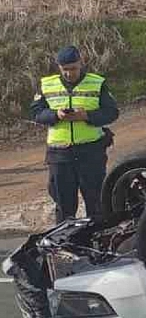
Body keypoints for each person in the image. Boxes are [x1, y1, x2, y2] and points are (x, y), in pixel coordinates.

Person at [30, 45, 119, 223]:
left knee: (96, 204)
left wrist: (87, 116)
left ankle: (97, 243)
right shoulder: (47, 85)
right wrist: (56, 115)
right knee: (64, 206)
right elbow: (36, 113)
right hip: (60, 154)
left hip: (90, 152)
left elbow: (112, 112)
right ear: (59, 67)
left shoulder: (97, 82)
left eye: (73, 69)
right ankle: (65, 245)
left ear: (81, 63)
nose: (69, 73)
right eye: (65, 70)